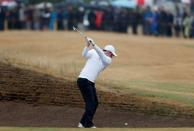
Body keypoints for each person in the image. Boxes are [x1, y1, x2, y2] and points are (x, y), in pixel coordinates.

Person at [77, 37, 117, 128]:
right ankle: (87, 123)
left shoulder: (107, 60)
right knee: (91, 103)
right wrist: (87, 45)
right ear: (109, 52)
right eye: (112, 54)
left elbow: (101, 54)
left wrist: (94, 45)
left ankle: (83, 123)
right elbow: (84, 55)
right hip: (83, 80)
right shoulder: (94, 52)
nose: (112, 57)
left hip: (90, 82)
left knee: (95, 103)